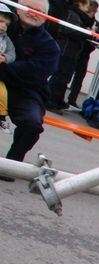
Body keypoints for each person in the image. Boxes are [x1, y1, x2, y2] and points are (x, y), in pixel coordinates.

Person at [0, 0, 59, 163]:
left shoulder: (50, 46)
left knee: (32, 124)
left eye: (39, 11)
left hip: (27, 91)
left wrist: (5, 65)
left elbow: (34, 73)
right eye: (29, 8)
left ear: (46, 17)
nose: (33, 13)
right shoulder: (5, 24)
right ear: (18, 9)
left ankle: (13, 161)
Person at [46, 0, 89, 112]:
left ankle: (57, 100)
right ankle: (50, 101)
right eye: (87, 5)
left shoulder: (79, 16)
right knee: (60, 77)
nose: (88, 8)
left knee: (64, 77)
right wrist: (85, 32)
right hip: (66, 50)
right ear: (81, 4)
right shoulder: (73, 14)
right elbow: (69, 30)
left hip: (70, 51)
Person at [66, 0, 99, 109]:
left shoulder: (96, 24)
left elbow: (97, 40)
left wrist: (90, 44)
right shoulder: (79, 18)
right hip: (75, 50)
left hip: (84, 53)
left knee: (79, 78)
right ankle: (60, 97)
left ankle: (72, 99)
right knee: (67, 74)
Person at [0, 5, 16, 133]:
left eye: (6, 24)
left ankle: (2, 116)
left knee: (3, 93)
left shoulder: (7, 40)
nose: (3, 26)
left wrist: (5, 58)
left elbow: (12, 54)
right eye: (0, 21)